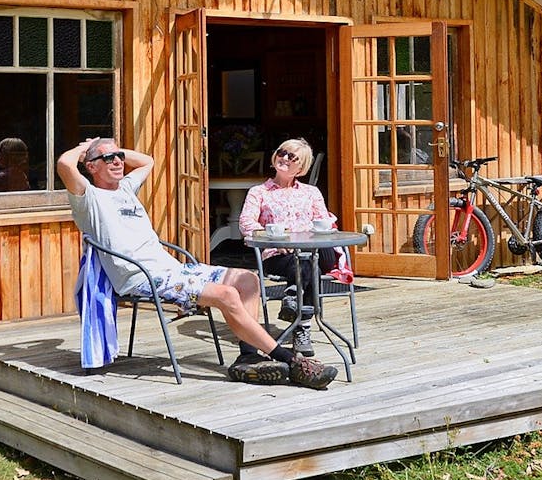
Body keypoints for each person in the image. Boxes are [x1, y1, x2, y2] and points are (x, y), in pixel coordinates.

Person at [59, 137, 337, 389]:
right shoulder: (88, 199)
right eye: (108, 159)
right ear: (91, 167)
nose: (118, 161)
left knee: (248, 279)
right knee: (227, 294)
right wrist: (86, 148)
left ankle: (248, 358)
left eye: (119, 156)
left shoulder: (126, 189)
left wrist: (109, 149)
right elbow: (64, 163)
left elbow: (147, 161)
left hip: (173, 270)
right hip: (143, 277)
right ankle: (290, 361)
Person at [237, 138, 352, 356]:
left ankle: (294, 300)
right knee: (311, 266)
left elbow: (323, 222)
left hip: (309, 253)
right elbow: (246, 224)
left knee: (311, 261)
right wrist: (276, 239)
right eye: (282, 152)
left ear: (302, 167)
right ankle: (302, 327)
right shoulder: (259, 192)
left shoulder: (311, 193)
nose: (284, 158)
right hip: (277, 255)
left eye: (292, 157)